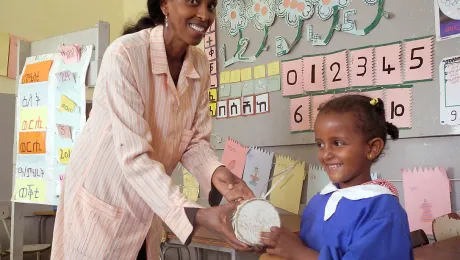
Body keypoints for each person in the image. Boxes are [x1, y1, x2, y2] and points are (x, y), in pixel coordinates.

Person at [50, 0, 256, 259]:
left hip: (148, 203)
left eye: (211, 5)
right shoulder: (124, 56)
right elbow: (134, 157)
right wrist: (197, 215)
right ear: (165, 5)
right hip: (101, 205)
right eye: (193, 2)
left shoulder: (200, 66)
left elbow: (193, 141)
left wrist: (217, 173)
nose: (204, 14)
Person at [260, 94, 414, 260]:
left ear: (372, 148)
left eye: (338, 143)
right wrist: (280, 244)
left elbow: (305, 253)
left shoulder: (384, 213)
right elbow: (312, 246)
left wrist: (299, 252)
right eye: (320, 144)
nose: (325, 154)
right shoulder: (319, 202)